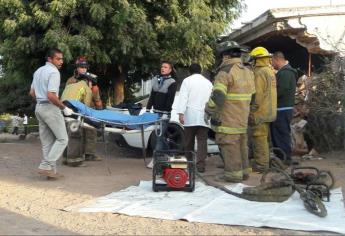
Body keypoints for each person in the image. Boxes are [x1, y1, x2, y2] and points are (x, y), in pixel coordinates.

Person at [205, 41, 255, 182]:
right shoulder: (247, 71)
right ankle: (244, 172)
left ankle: (233, 176)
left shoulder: (225, 71)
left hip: (228, 117)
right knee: (241, 145)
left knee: (229, 145)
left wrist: (208, 109)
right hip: (242, 117)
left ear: (226, 56)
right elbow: (253, 95)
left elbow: (218, 95)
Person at [30, 48, 73, 179]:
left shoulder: (38, 71)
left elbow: (32, 93)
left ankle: (51, 172)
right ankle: (46, 165)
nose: (61, 61)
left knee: (48, 142)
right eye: (58, 59)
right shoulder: (54, 72)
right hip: (50, 108)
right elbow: (51, 95)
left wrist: (41, 101)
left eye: (62, 59)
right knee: (62, 139)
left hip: (39, 108)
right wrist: (64, 107)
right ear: (50, 59)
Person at [62, 56, 102, 164]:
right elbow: (68, 95)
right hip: (74, 109)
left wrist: (99, 111)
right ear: (77, 68)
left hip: (88, 108)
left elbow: (96, 98)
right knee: (74, 132)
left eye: (85, 67)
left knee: (91, 131)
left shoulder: (92, 82)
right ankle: (70, 156)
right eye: (81, 67)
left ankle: (89, 154)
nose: (83, 69)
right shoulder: (71, 81)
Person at [176, 63, 213, 173]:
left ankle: (189, 164)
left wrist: (180, 114)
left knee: (189, 142)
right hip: (204, 116)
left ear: (189, 71)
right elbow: (212, 99)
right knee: (202, 142)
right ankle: (201, 165)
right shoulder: (208, 83)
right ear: (201, 71)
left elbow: (183, 98)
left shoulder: (187, 81)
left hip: (190, 116)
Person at [249, 47, 277, 172]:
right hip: (270, 110)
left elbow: (258, 94)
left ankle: (261, 165)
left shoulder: (259, 73)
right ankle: (265, 162)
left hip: (260, 111)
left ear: (257, 59)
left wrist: (252, 109)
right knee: (264, 138)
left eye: (253, 59)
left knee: (258, 137)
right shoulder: (270, 71)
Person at [271, 51, 298, 165]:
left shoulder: (286, 73)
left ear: (277, 59)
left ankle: (284, 158)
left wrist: (269, 97)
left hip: (282, 109)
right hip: (283, 108)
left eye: (272, 61)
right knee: (280, 134)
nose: (272, 64)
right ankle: (282, 157)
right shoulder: (285, 72)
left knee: (281, 134)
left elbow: (280, 91)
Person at [146, 61, 177, 151]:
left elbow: (170, 99)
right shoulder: (156, 79)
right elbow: (152, 95)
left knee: (159, 137)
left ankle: (156, 159)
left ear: (170, 70)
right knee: (159, 136)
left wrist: (166, 113)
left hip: (164, 114)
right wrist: (148, 109)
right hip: (155, 113)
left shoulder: (172, 82)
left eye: (166, 67)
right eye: (162, 67)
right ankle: (168, 153)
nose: (163, 68)